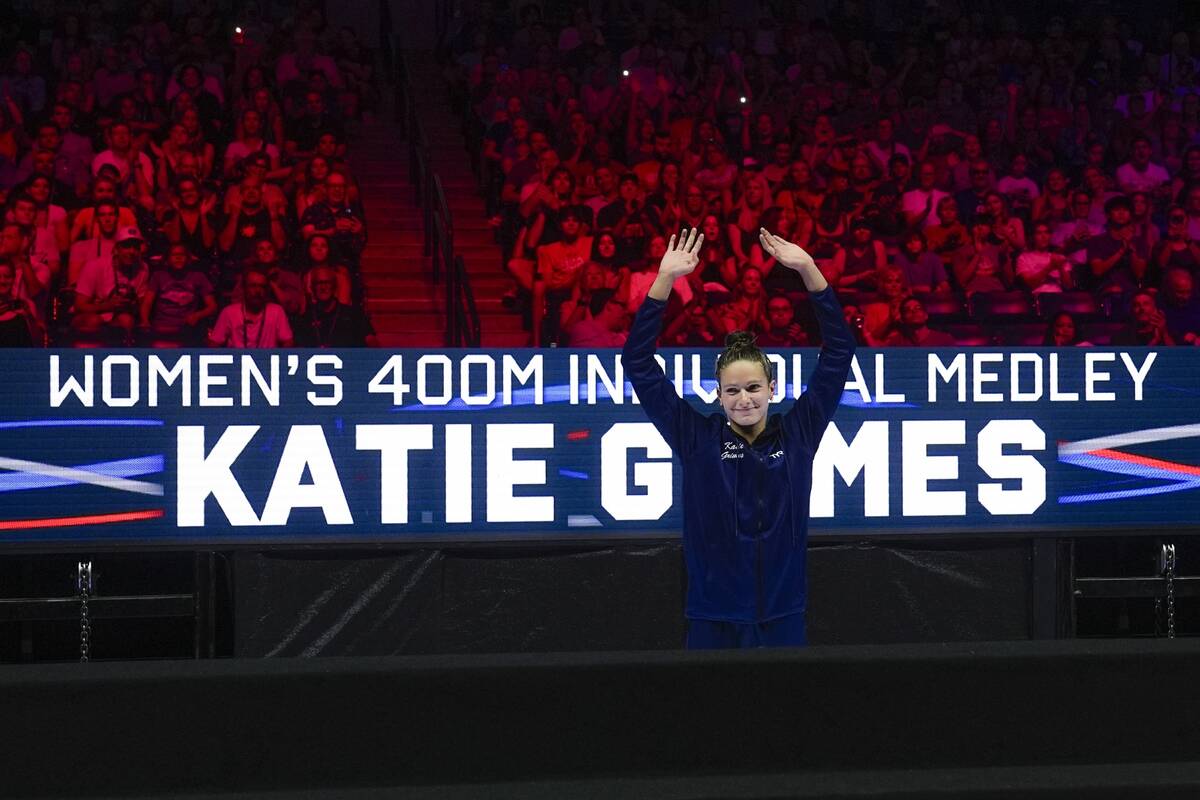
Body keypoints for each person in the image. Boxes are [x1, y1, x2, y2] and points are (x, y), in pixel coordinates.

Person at [622, 226, 855, 648]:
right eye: (732, 390)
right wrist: (664, 281)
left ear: (772, 388)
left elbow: (839, 352)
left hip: (783, 616)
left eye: (752, 388)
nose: (743, 399)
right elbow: (638, 363)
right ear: (718, 394)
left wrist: (808, 269)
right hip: (713, 617)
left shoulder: (799, 432)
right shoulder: (696, 437)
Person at [208, 264, 295, 348]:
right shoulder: (229, 312)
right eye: (253, 286)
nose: (258, 291)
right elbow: (214, 343)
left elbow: (288, 342)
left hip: (266, 361)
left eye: (262, 286)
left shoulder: (276, 311)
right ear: (244, 288)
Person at [294, 266, 378, 347]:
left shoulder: (354, 315)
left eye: (327, 282)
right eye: (319, 283)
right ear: (312, 288)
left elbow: (371, 342)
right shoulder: (305, 319)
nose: (323, 287)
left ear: (334, 286)